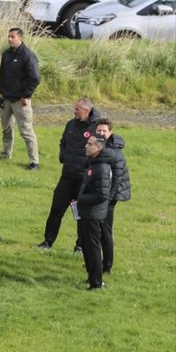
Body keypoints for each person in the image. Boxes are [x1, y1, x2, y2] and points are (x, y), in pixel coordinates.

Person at [37, 98, 101, 250]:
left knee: (80, 214)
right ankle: (48, 241)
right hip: (67, 176)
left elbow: (98, 150)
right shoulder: (70, 125)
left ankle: (80, 245)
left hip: (83, 179)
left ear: (86, 111)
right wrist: (63, 156)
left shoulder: (95, 128)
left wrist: (87, 165)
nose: (74, 111)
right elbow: (63, 142)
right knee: (56, 209)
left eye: (77, 109)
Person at [0, 27, 41, 170]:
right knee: (6, 129)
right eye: (8, 36)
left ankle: (34, 161)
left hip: (20, 100)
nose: (9, 39)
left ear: (20, 38)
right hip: (6, 98)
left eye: (13, 37)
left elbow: (35, 78)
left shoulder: (28, 55)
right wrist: (0, 92)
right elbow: (2, 75)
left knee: (26, 131)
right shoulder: (6, 54)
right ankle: (5, 154)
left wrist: (26, 95)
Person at [94, 119, 131, 275]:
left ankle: (107, 265)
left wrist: (108, 199)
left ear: (110, 132)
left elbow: (117, 178)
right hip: (102, 193)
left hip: (110, 195)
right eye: (99, 130)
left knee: (105, 230)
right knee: (99, 229)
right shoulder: (98, 145)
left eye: (104, 131)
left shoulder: (114, 151)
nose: (101, 133)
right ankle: (99, 262)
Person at [75, 137, 112, 290]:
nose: (86, 146)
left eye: (90, 144)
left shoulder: (101, 168)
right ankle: (92, 278)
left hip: (92, 215)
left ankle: (96, 283)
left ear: (98, 148)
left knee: (93, 249)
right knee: (87, 248)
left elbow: (102, 195)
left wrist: (81, 199)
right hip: (86, 213)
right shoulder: (94, 164)